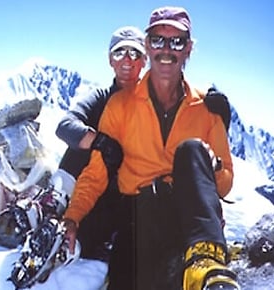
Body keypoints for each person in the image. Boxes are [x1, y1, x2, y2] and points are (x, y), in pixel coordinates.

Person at [62, 6, 239, 290]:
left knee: (192, 150)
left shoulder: (208, 108)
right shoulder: (120, 105)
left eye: (177, 41)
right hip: (137, 217)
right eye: (158, 40)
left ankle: (208, 265)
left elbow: (226, 182)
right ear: (148, 45)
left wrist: (211, 166)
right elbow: (96, 174)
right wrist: (72, 218)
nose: (166, 50)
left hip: (187, 217)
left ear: (189, 49)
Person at [54, 25, 147, 261]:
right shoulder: (100, 99)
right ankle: (54, 205)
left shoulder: (152, 101)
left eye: (135, 53)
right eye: (119, 52)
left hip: (134, 191)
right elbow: (65, 126)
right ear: (110, 60)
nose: (127, 59)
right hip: (96, 186)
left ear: (144, 60)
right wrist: (100, 142)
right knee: (80, 145)